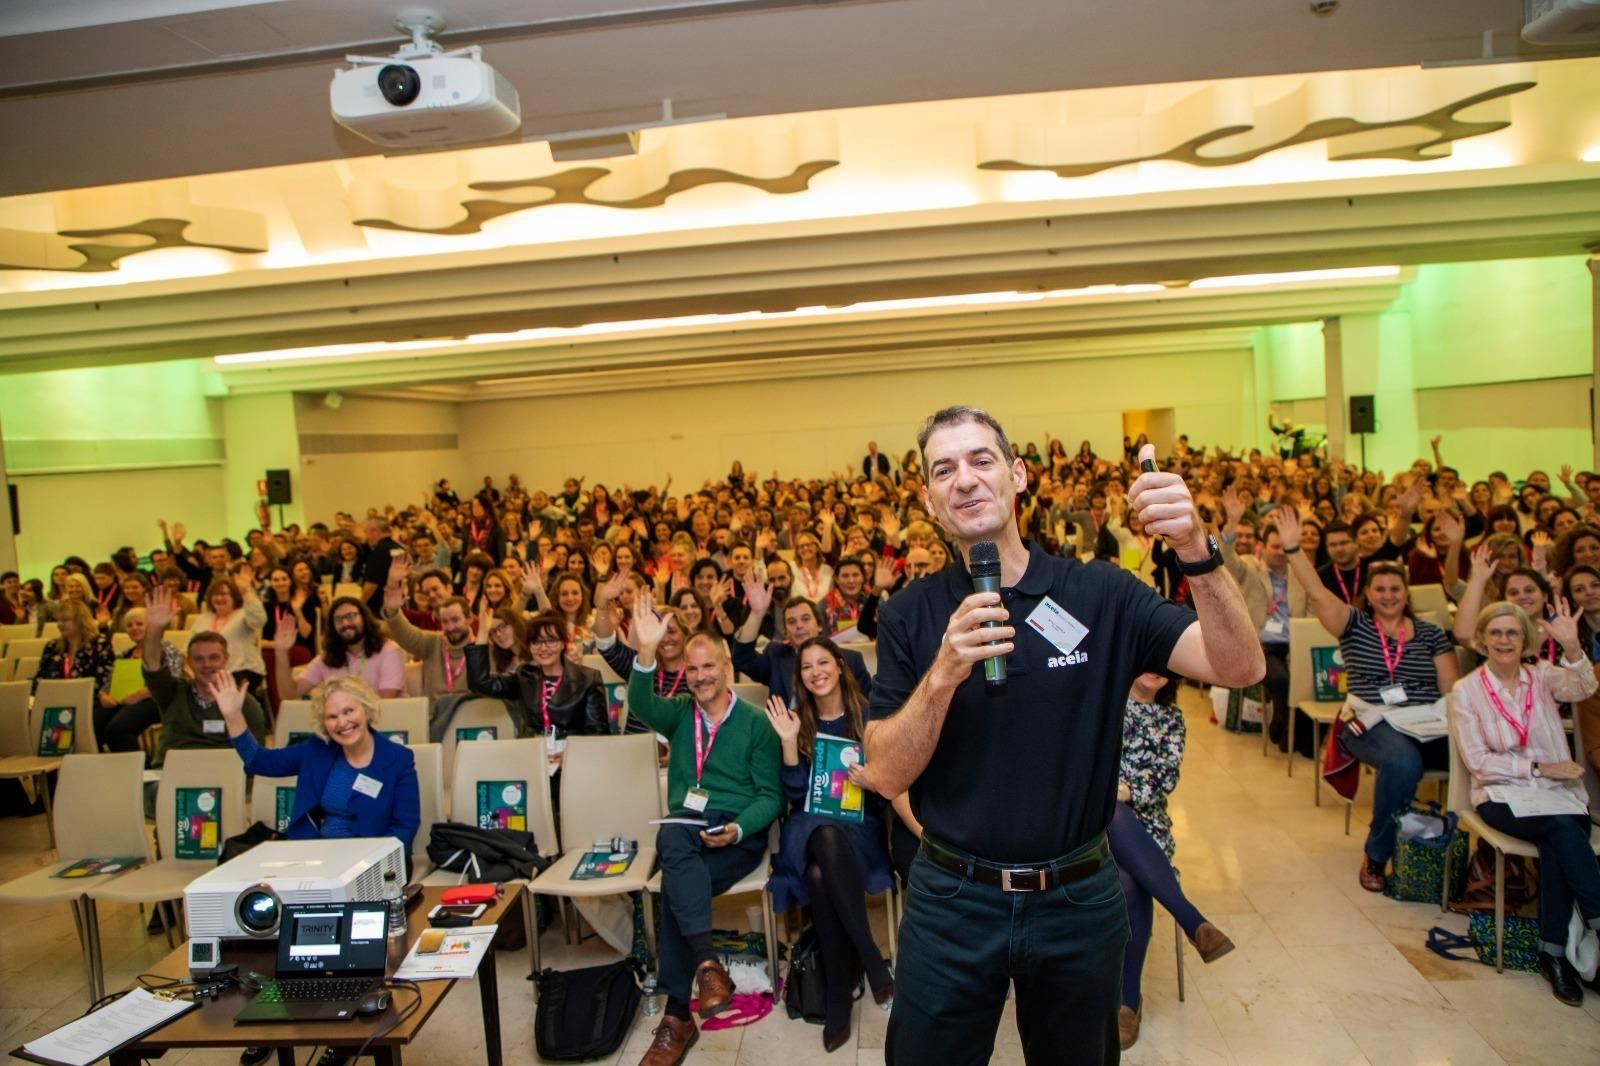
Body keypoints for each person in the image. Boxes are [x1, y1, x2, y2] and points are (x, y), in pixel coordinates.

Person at [863, 407, 1261, 1066]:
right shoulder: (909, 614)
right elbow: (882, 772)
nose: (965, 479)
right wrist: (943, 674)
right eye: (944, 469)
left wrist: (1196, 549)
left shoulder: (1099, 593)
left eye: (981, 460)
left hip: (1077, 897)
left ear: (1018, 475)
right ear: (930, 501)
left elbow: (1241, 667)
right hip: (953, 898)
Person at [626, 592, 781, 1066]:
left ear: (726, 665)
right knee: (673, 835)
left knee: (677, 884)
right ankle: (706, 969)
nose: (700, 676)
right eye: (692, 669)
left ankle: (677, 1019)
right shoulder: (678, 713)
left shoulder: (755, 723)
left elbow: (770, 796)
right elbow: (639, 701)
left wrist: (737, 829)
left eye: (708, 666)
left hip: (736, 836)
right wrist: (646, 651)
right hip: (687, 830)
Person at [1275, 506, 1459, 892]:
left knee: (1472, 755)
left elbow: (1452, 691)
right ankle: (1377, 855)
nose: (1388, 596)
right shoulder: (1354, 625)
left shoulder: (1430, 633)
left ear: (1406, 593)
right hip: (1371, 721)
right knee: (1403, 762)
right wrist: (1293, 549)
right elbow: (1316, 592)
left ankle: (1459, 854)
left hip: (1427, 720)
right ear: (1369, 595)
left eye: (1395, 589)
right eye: (1380, 590)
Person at [1451, 600, 1600, 1005]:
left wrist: (1573, 647)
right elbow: (1478, 762)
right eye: (1496, 633)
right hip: (1502, 796)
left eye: (1513, 633)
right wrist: (1538, 768)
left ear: (1525, 640)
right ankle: (1590, 924)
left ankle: (1553, 954)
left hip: (1560, 796)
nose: (1504, 640)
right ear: (1482, 639)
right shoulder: (1467, 691)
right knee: (1559, 829)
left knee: (1559, 838)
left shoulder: (1543, 677)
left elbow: (1584, 688)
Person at [763, 638, 894, 1051]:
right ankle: (870, 957)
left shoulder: (869, 716)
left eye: (823, 662)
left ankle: (839, 991)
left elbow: (887, 792)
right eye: (806, 666)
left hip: (859, 828)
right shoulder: (796, 721)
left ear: (840, 666)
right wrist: (789, 743)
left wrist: (870, 779)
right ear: (799, 676)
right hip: (808, 828)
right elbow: (794, 793)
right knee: (822, 834)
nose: (815, 672)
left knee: (820, 874)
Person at [1112, 673, 1233, 1049]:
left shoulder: (1172, 718)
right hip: (1091, 824)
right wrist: (1109, 793)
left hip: (1147, 828)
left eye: (1161, 664)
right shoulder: (1104, 702)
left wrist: (1125, 790)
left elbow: (1165, 777)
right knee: (1109, 810)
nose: (1153, 670)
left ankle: (1127, 1003)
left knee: (1130, 881)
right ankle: (1192, 921)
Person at [1219, 502, 1309, 753]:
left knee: (1304, 679)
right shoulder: (1251, 569)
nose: (1280, 552)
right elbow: (1225, 558)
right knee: (1280, 679)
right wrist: (1232, 523)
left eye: (1284, 547)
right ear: (1264, 547)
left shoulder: (1301, 575)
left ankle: (1287, 727)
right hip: (1261, 646)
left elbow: (1311, 612)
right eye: (1274, 547)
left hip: (1295, 646)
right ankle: (1282, 723)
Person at [142, 587, 267, 766]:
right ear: (189, 662)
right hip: (173, 772)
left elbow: (255, 759)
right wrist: (155, 629)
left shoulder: (245, 703)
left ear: (226, 659)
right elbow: (153, 664)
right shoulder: (172, 693)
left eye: (214, 658)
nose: (207, 664)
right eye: (199, 659)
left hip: (221, 774)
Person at [465, 610, 607, 747]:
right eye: (536, 642)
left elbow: (598, 736)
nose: (543, 648)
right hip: (532, 754)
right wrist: (483, 634)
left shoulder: (588, 679)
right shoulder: (525, 676)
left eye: (551, 640)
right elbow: (480, 684)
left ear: (563, 643)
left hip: (573, 757)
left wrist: (569, 752)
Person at [380, 558, 474, 741]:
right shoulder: (433, 642)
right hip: (435, 720)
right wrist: (392, 609)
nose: (450, 627)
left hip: (471, 719)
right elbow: (405, 634)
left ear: (469, 619)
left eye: (455, 620)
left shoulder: (481, 647)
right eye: (445, 622)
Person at [732, 586, 872, 706]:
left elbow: (868, 707)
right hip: (789, 728)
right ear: (785, 632)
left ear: (819, 625)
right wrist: (757, 613)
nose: (799, 625)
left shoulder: (851, 659)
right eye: (792, 622)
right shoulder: (776, 658)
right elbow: (742, 658)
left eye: (805, 619)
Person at [274, 597, 406, 699]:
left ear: (365, 618)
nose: (345, 623)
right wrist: (281, 652)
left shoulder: (388, 650)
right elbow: (289, 693)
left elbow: (386, 703)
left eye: (351, 616)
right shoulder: (328, 657)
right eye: (338, 619)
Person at [96, 606, 183, 756]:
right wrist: (103, 695)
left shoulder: (167, 649)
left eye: (139, 624)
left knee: (118, 728)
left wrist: (138, 695)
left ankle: (138, 767)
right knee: (94, 721)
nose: (134, 628)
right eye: (129, 625)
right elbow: (108, 683)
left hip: (155, 700)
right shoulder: (125, 654)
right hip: (124, 700)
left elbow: (173, 681)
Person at [189, 572, 268, 693]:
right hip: (208, 673)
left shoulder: (244, 614)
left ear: (234, 596)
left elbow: (259, 619)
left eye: (224, 594)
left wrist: (246, 590)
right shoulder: (203, 619)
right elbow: (189, 648)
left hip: (242, 670)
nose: (219, 598)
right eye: (216, 594)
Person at [35, 599, 117, 712]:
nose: (59, 624)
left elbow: (103, 682)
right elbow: (40, 679)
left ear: (80, 621)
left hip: (88, 704)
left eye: (65, 620)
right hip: (53, 703)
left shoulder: (99, 645)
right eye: (58, 620)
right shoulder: (52, 646)